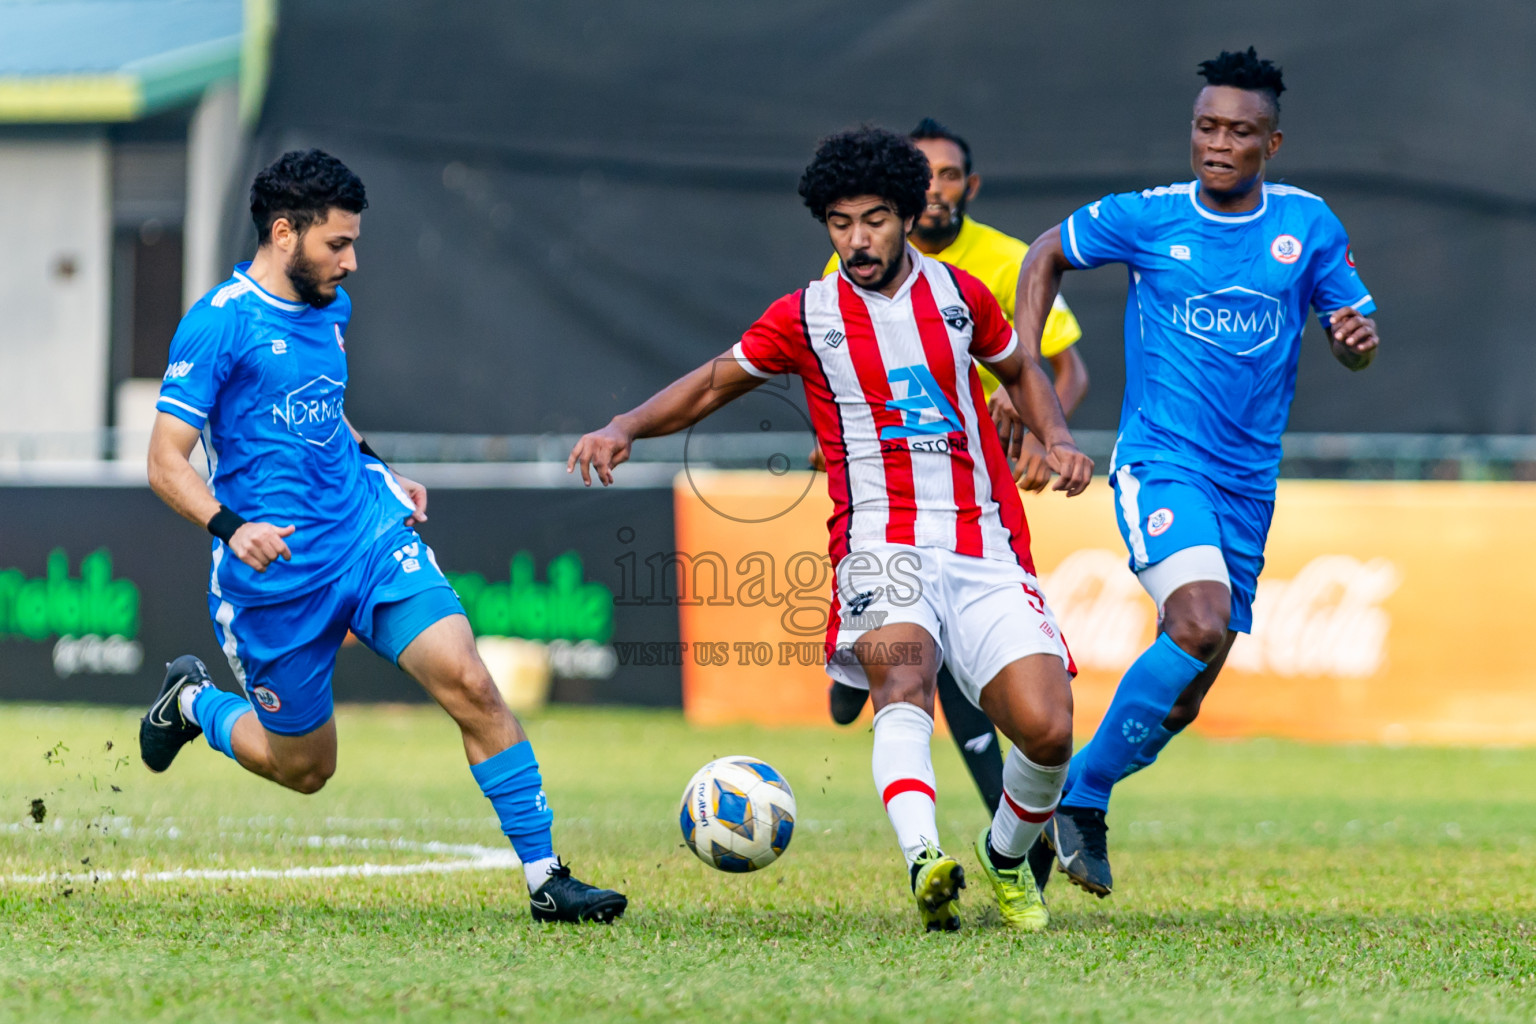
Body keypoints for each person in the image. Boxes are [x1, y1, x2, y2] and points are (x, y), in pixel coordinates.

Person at [569, 127, 1095, 932]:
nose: (858, 239)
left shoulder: (961, 296)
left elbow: (1022, 368)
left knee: (1049, 730)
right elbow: (713, 383)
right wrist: (624, 425)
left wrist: (1055, 438)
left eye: (875, 219)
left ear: (909, 214)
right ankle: (926, 859)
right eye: (841, 223)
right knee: (905, 681)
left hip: (983, 540)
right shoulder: (808, 316)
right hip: (879, 540)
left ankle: (1003, 855)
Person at [139, 149, 626, 924]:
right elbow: (165, 462)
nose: (353, 262)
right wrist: (232, 529)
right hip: (272, 581)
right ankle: (194, 702)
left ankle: (547, 878)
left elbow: (322, 409)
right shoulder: (218, 324)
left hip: (366, 538)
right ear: (284, 232)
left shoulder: (330, 307)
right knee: (304, 768)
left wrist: (377, 467)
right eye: (338, 243)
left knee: (470, 680)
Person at [1013, 48, 1380, 897]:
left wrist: (1352, 345)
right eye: (1206, 126)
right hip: (1163, 462)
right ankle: (1078, 805)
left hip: (1248, 486)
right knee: (1201, 617)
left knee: (1184, 699)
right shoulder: (1148, 218)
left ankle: (1053, 813)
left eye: (1240, 132)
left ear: (1272, 145)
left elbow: (1351, 333)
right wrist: (1029, 377)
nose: (1218, 144)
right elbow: (1044, 254)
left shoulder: (1308, 226)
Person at [820, 118, 1091, 818]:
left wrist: (1040, 435)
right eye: (924, 174)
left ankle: (1014, 845)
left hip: (980, 489)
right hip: (889, 493)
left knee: (973, 681)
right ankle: (858, 644)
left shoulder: (1002, 262)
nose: (937, 190)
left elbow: (1064, 368)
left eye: (948, 177)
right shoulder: (853, 259)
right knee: (911, 656)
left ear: (966, 187)